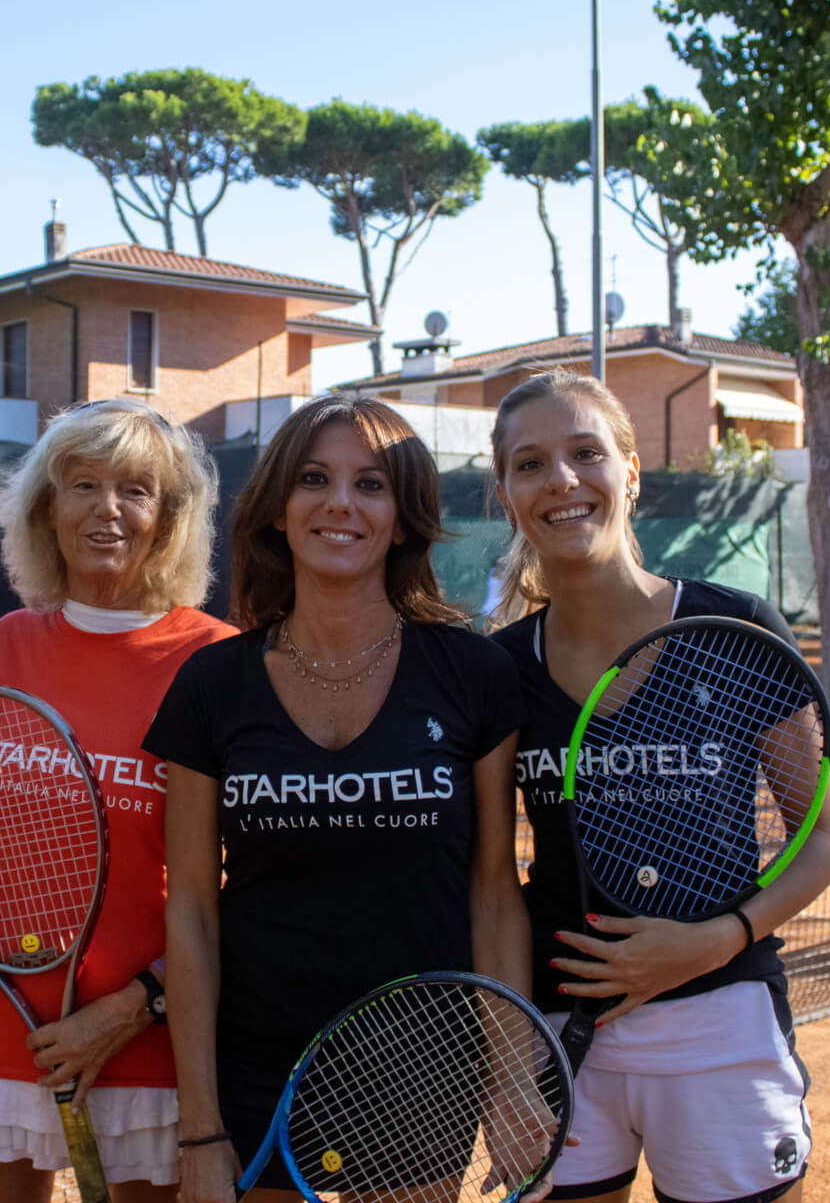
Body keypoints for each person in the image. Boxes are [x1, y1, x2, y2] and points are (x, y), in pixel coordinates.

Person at [148, 396, 535, 1203]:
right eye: (315, 479)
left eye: (371, 485)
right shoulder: (211, 685)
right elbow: (190, 909)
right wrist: (201, 1127)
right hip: (256, 1070)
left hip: (422, 1070)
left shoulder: (474, 675)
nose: (340, 504)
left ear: (402, 519)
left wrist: (512, 1080)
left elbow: (494, 896)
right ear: (279, 511)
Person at [487, 371, 830, 1203]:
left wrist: (718, 938)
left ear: (631, 472)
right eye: (532, 464)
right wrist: (507, 1071)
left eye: (586, 453)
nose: (563, 482)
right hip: (561, 1029)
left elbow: (822, 837)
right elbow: (491, 885)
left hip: (722, 1016)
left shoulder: (737, 628)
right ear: (506, 493)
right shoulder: (498, 671)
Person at [0, 400, 234, 1203]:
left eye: (135, 490)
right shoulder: (7, 645)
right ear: (46, 508)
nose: (107, 510)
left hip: (148, 1037)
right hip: (1, 1023)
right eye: (82, 486)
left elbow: (255, 885)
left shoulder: (219, 663)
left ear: (168, 517)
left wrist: (136, 1007)